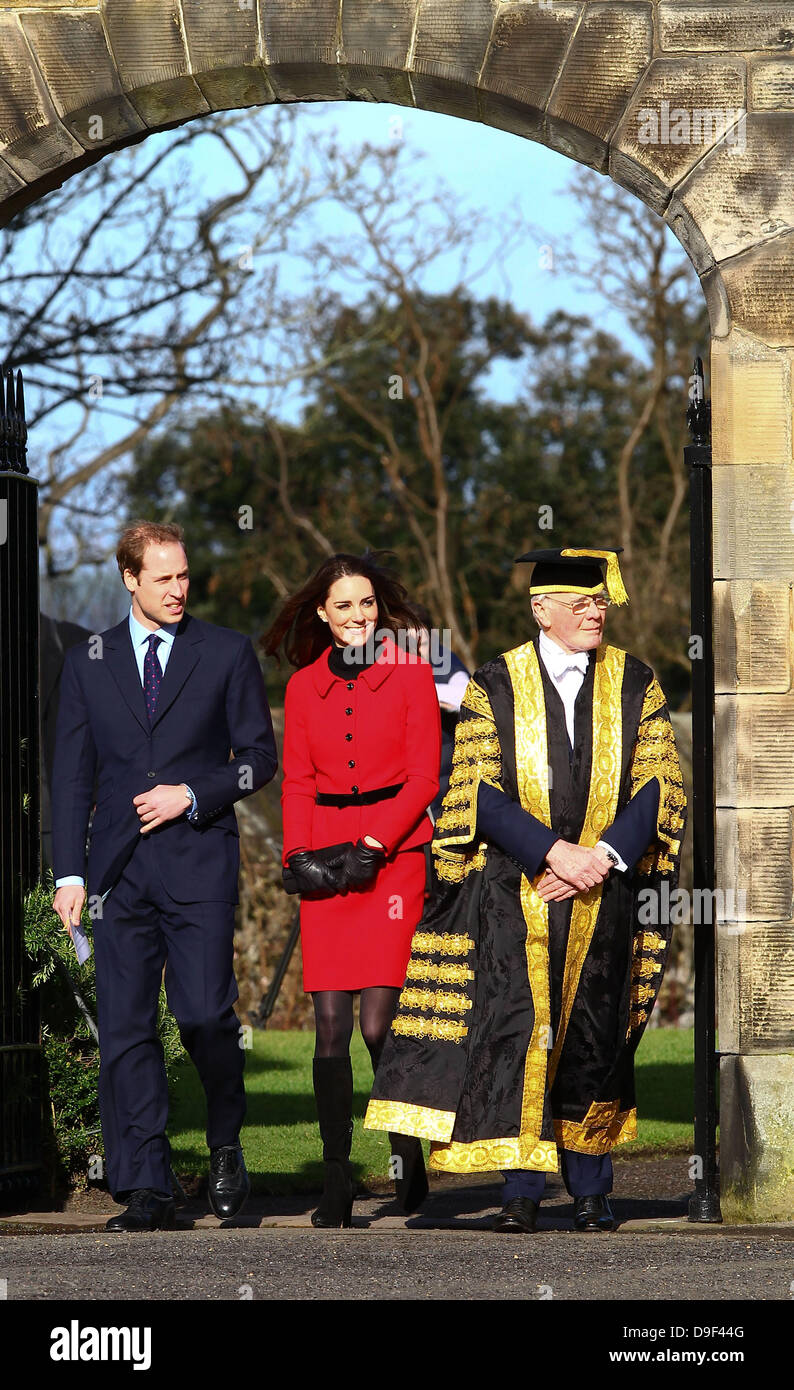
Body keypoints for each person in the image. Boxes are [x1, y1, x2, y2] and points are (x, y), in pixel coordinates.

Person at [366, 547, 686, 1233]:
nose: (595, 612)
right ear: (542, 610)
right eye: (581, 602)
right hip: (519, 889)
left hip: (603, 891)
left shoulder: (636, 682)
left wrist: (600, 856)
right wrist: (552, 852)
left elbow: (659, 782)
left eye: (600, 602)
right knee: (514, 1033)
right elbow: (477, 789)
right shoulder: (496, 683)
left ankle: (592, 1187)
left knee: (593, 1035)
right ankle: (519, 1189)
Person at [51, 521, 278, 1232]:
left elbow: (257, 760)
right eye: (163, 578)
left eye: (184, 576)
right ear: (129, 579)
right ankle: (146, 1186)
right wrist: (70, 872)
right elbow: (71, 772)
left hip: (199, 860)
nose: (178, 590)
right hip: (118, 871)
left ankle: (223, 1142)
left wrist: (193, 793)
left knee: (205, 1015)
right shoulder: (89, 659)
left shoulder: (227, 652)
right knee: (124, 1030)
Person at [263, 552, 440, 1227]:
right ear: (322, 614)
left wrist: (376, 844)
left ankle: (405, 1151)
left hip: (393, 856)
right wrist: (297, 857)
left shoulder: (410, 672)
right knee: (330, 1027)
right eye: (345, 606)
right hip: (327, 857)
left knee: (376, 1023)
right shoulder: (305, 688)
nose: (360, 616)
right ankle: (335, 1178)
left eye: (367, 604)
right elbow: (300, 781)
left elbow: (425, 777)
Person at [408, 603, 471, 822]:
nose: (416, 652)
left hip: (447, 790)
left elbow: (464, 694)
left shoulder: (446, 662)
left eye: (422, 644)